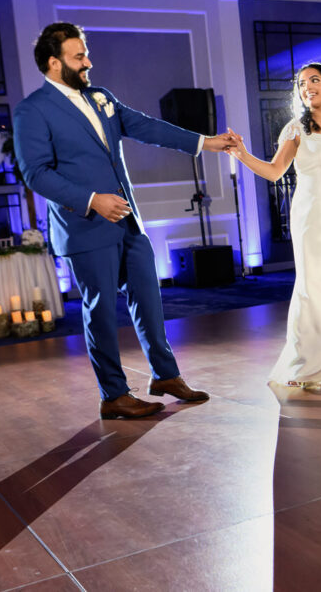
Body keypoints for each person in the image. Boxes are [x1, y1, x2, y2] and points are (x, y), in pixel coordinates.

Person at [13, 22, 235, 419]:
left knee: (148, 296)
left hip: (127, 221)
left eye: (86, 54)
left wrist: (206, 142)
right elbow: (36, 173)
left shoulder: (101, 96)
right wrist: (92, 200)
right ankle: (113, 395)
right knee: (99, 310)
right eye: (79, 57)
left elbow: (147, 127)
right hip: (84, 223)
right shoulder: (33, 110)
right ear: (53, 63)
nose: (88, 62)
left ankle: (165, 376)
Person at [227, 62, 321, 389]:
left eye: (314, 80)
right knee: (315, 285)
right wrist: (243, 155)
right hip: (314, 216)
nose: (308, 87)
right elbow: (275, 171)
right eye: (302, 83)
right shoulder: (296, 129)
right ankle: (308, 360)